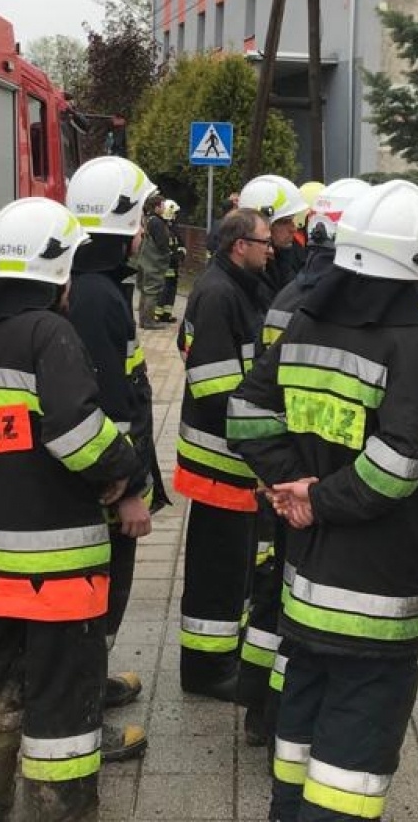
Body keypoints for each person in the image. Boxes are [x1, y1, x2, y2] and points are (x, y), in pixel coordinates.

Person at [227, 181, 418, 822]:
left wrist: (291, 486)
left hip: (305, 576)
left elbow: (244, 410)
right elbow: (399, 466)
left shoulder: (304, 321)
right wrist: (316, 497)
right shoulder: (415, 343)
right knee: (351, 766)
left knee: (297, 734)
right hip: (375, 595)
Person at [0, 197, 143, 822]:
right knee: (61, 704)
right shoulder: (51, 334)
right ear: (57, 271)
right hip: (61, 564)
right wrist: (127, 471)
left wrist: (5, 453)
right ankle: (59, 809)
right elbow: (77, 436)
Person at [239, 177, 374, 752]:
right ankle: (282, 722)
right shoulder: (358, 313)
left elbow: (258, 396)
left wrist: (280, 475)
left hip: (280, 480)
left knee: (271, 595)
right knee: (297, 610)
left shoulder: (289, 296)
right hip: (329, 490)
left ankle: (258, 709)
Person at [64, 156, 168, 765]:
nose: (143, 229)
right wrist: (127, 487)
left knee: (101, 600)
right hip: (104, 492)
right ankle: (80, 720)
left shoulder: (96, 286)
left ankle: (90, 685)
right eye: (140, 215)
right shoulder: (98, 297)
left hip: (108, 481)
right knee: (94, 601)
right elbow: (105, 405)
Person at [174, 207, 274, 698]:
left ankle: (219, 658)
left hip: (230, 460)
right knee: (216, 571)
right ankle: (206, 671)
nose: (270, 248)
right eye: (263, 242)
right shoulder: (218, 294)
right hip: (221, 460)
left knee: (231, 567)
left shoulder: (230, 288)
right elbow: (215, 388)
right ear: (240, 246)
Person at [240, 174, 310, 295]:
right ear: (263, 224)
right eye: (285, 222)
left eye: (293, 220)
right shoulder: (239, 279)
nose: (293, 229)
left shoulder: (288, 252)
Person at [136, 195, 172, 329]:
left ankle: (143, 320)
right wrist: (169, 252)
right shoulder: (157, 222)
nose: (164, 208)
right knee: (152, 291)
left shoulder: (147, 219)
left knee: (145, 291)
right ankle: (149, 322)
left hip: (145, 260)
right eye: (162, 205)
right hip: (154, 262)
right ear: (157, 207)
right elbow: (162, 244)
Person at [159, 198, 184, 322]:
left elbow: (180, 243)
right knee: (165, 289)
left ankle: (166, 314)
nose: (176, 216)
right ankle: (158, 314)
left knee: (171, 289)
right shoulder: (162, 228)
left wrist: (181, 253)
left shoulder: (173, 228)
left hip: (173, 266)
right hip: (165, 265)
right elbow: (163, 247)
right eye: (174, 213)